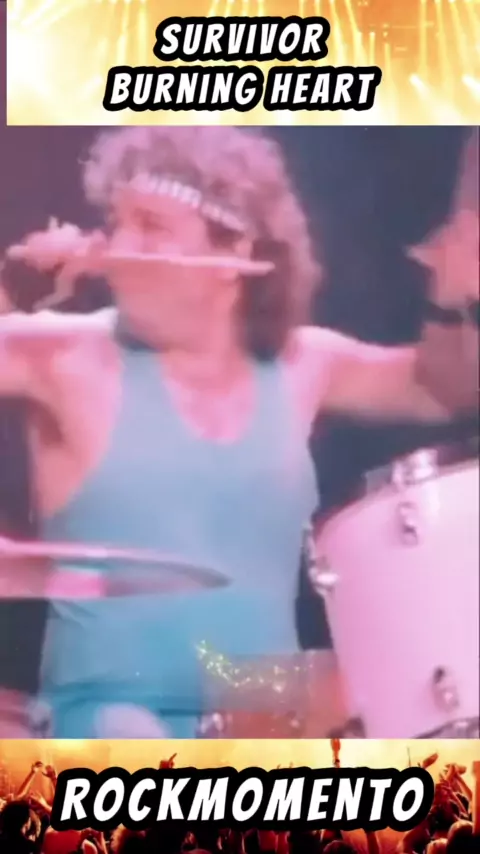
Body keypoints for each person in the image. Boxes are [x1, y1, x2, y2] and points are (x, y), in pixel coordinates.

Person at [0, 126, 478, 738]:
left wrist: (454, 297)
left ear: (235, 251)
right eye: (116, 223)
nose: (119, 246)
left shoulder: (306, 363)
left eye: (150, 226)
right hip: (105, 717)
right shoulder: (63, 355)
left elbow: (444, 391)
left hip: (256, 711)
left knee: (381, 686)